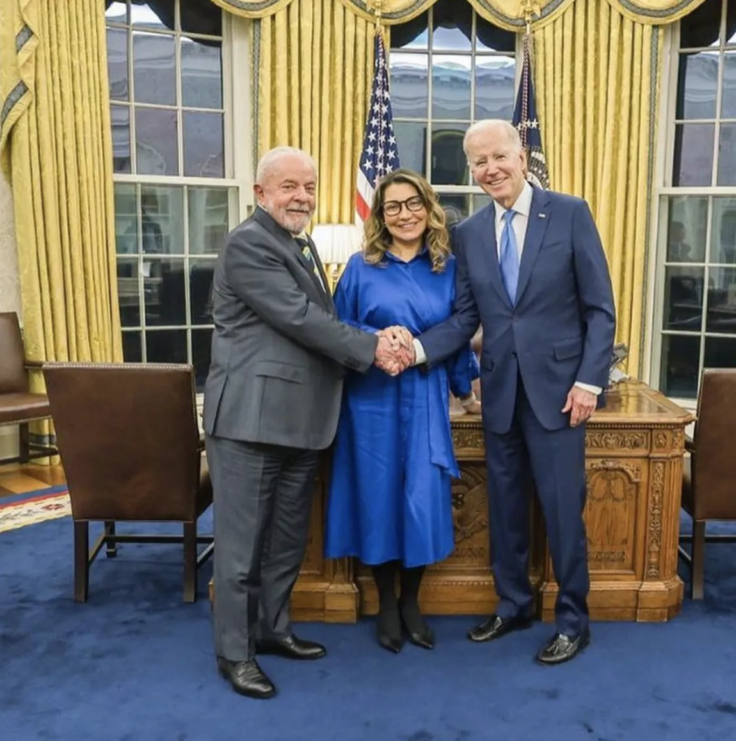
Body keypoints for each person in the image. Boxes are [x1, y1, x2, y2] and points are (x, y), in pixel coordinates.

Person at [410, 120, 616, 665]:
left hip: (561, 396)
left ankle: (573, 621)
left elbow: (600, 309)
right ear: (471, 170)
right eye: (479, 162)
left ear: (521, 156)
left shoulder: (569, 213)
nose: (490, 169)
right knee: (505, 509)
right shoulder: (470, 232)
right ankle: (514, 604)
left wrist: (589, 381)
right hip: (499, 394)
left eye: (498, 156)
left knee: (562, 511)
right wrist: (416, 349)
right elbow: (466, 319)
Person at [203, 146, 405, 699]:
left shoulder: (300, 242)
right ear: (260, 193)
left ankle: (272, 630)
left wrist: (372, 338)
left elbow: (319, 319)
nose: (302, 197)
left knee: (287, 539)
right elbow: (299, 319)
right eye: (289, 186)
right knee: (242, 548)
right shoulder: (249, 244)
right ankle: (235, 654)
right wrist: (372, 348)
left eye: (309, 187)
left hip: (300, 420)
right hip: (249, 422)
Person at [324, 169, 480, 654]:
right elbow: (336, 326)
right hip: (370, 401)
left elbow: (459, 332)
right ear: (380, 215)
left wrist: (466, 393)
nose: (404, 214)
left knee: (420, 500)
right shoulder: (360, 267)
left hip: (425, 397)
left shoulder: (449, 268)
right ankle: (386, 606)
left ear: (428, 208)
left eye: (413, 203)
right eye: (392, 206)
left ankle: (411, 601)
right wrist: (379, 338)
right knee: (377, 499)